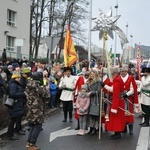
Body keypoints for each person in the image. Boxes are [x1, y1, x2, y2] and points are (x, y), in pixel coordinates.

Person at [25, 71, 50, 150]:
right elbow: (46, 95)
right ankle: (32, 144)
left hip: (30, 108)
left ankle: (29, 143)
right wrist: (45, 86)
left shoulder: (28, 85)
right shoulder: (38, 86)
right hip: (37, 109)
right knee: (37, 126)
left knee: (32, 126)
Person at [101, 66, 126, 139]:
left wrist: (104, 85)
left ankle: (117, 133)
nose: (111, 74)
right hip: (117, 101)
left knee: (117, 118)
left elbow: (113, 90)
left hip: (117, 102)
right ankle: (116, 132)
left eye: (112, 73)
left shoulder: (117, 80)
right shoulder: (117, 79)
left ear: (114, 73)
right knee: (115, 118)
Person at [5, 71, 26, 140]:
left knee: (16, 118)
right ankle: (10, 135)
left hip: (17, 104)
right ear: (15, 78)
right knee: (12, 120)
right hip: (14, 105)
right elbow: (12, 94)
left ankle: (16, 131)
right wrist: (23, 94)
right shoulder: (13, 85)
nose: (19, 79)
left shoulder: (15, 84)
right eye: (18, 78)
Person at [120, 65, 138, 135]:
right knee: (122, 113)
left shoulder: (131, 78)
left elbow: (133, 89)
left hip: (128, 98)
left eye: (123, 71)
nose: (122, 73)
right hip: (121, 98)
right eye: (121, 71)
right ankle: (124, 128)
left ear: (126, 71)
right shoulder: (119, 78)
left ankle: (131, 129)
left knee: (129, 114)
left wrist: (126, 94)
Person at [87, 69, 102, 136]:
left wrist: (92, 92)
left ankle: (95, 128)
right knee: (90, 115)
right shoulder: (88, 82)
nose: (92, 76)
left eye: (93, 74)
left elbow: (99, 91)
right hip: (89, 100)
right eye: (91, 74)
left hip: (95, 100)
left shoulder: (98, 82)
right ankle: (91, 128)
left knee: (94, 115)